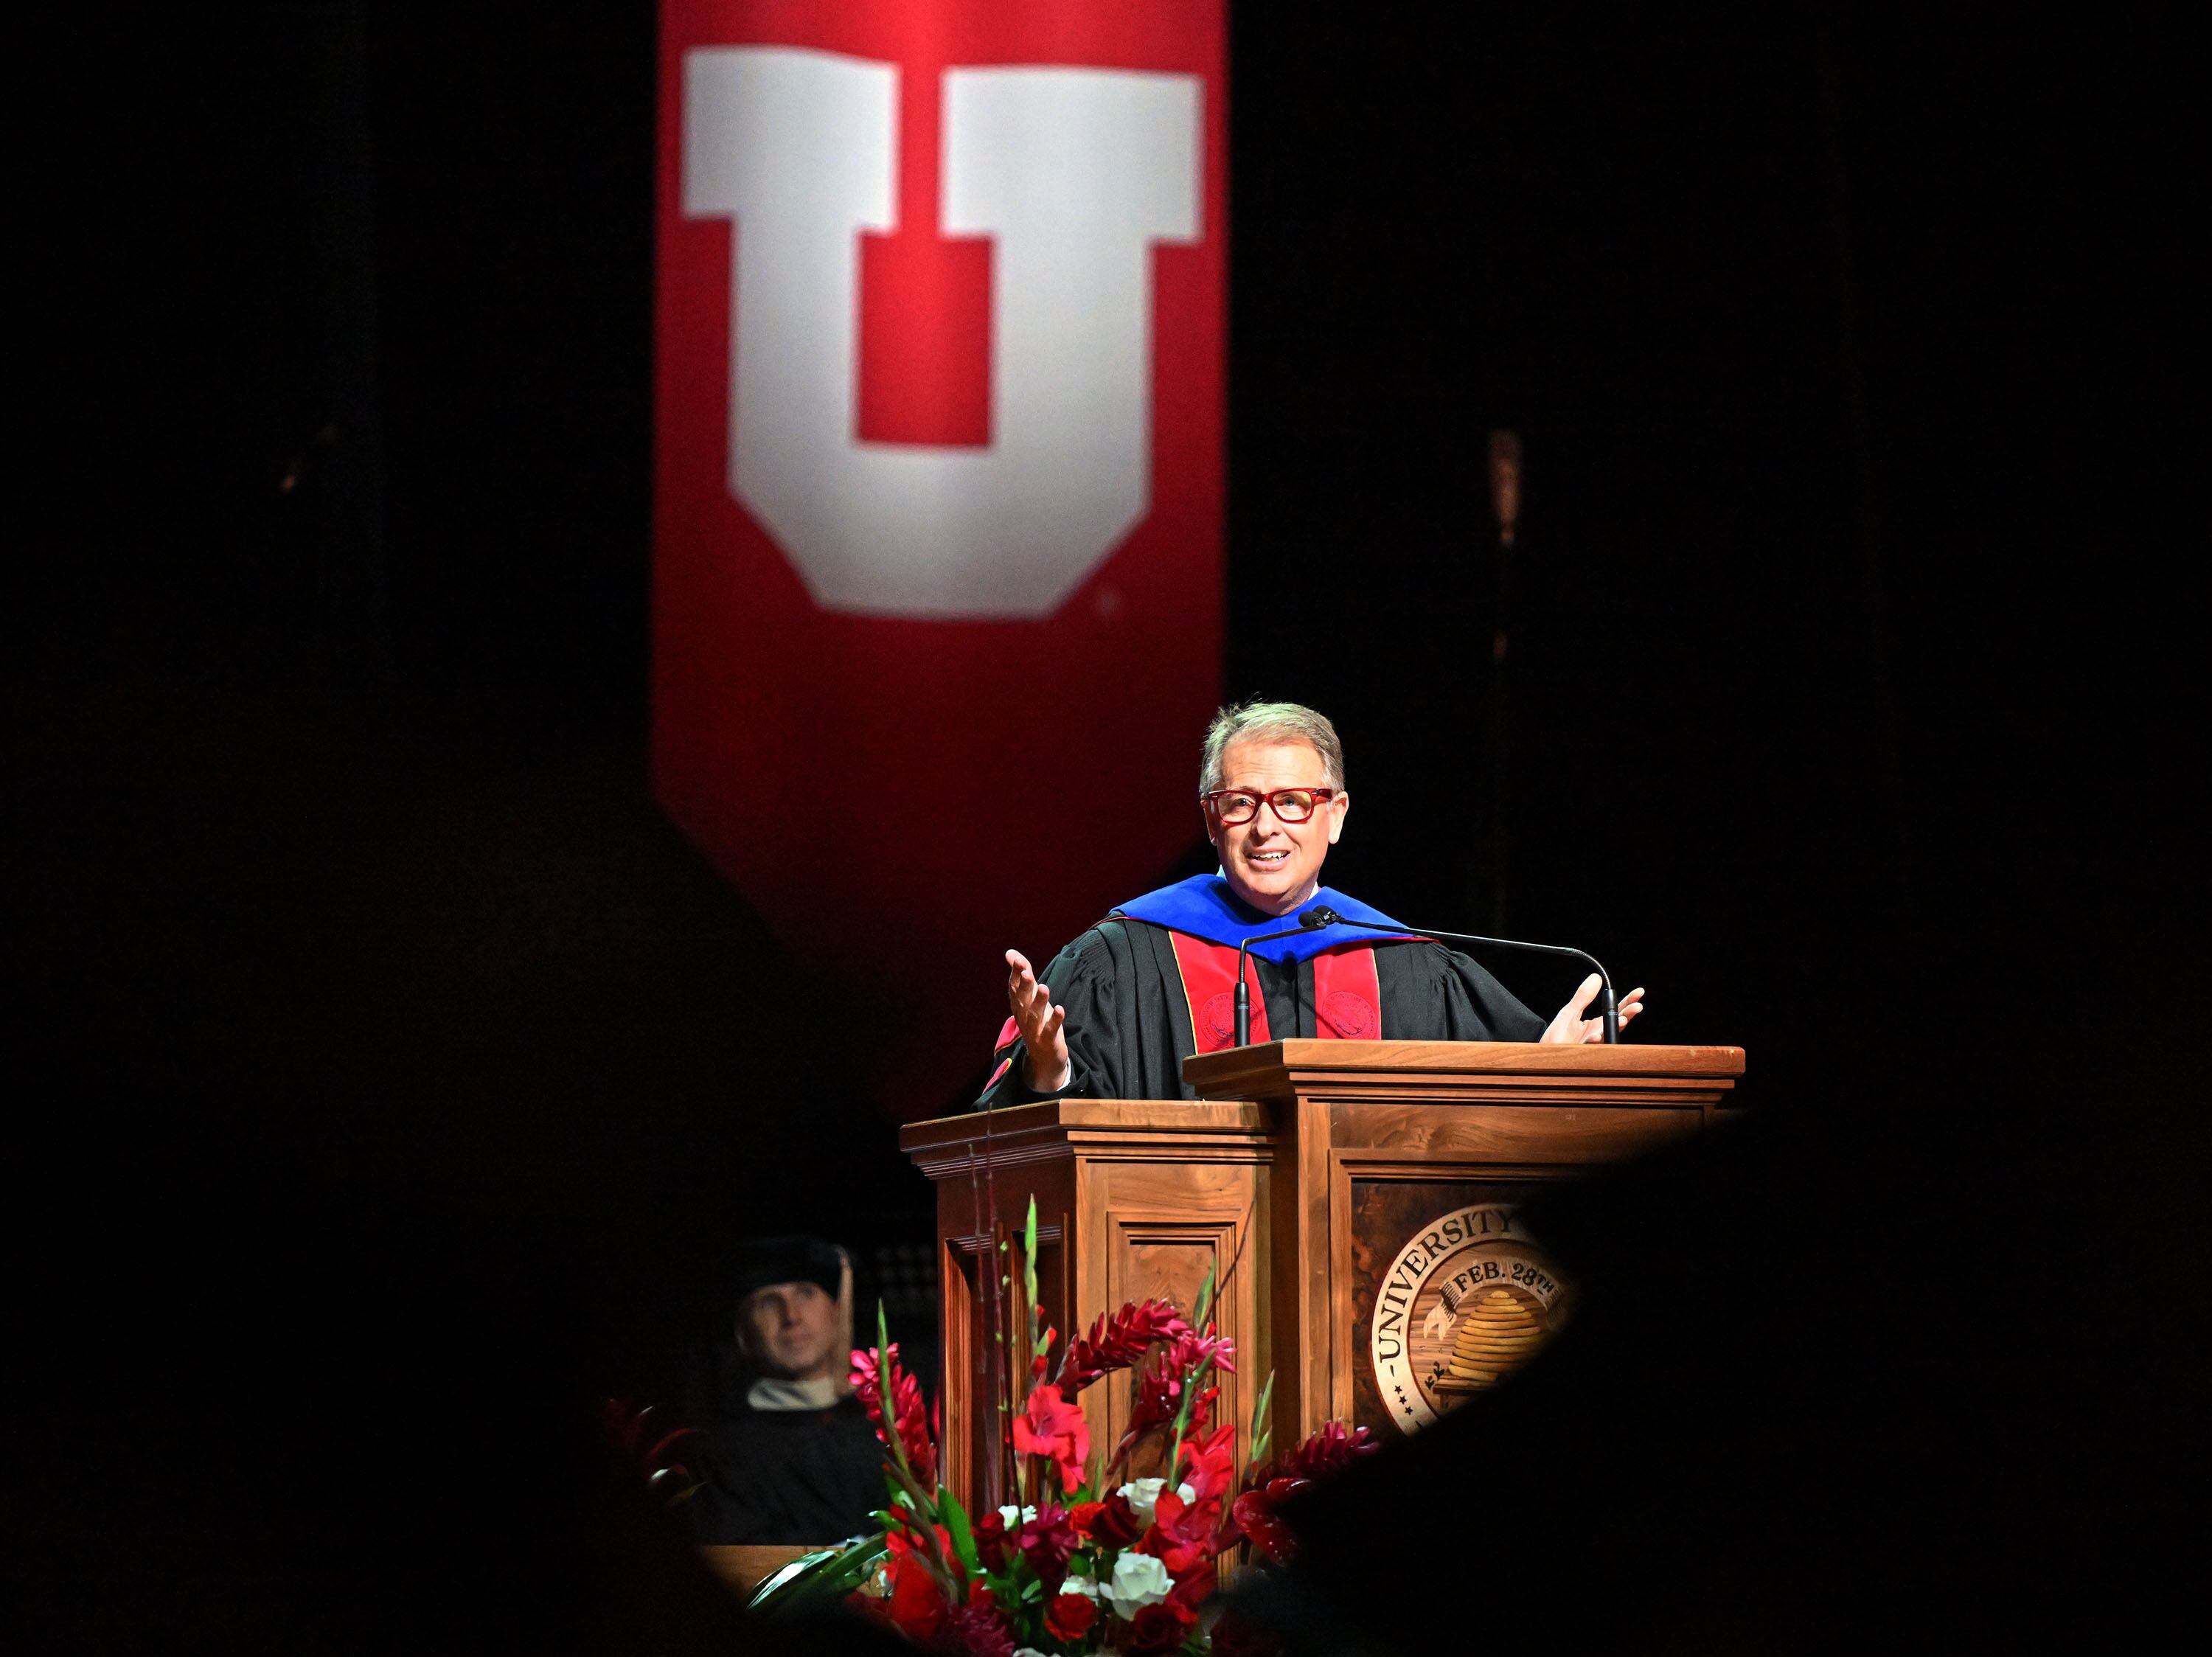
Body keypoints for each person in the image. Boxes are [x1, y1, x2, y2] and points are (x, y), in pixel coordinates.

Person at [979, 701, 1646, 1107]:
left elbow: (1475, 1126)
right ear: (1212, 821)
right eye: (1240, 803)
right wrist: (1051, 1069)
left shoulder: (1405, 964)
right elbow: (1029, 1147)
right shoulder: (1122, 958)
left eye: (1293, 802)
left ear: (1336, 815)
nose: (1267, 827)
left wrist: (1542, 1072)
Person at [691, 1235, 887, 1545]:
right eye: (769, 1302)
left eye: (807, 1294)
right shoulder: (724, 1453)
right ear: (744, 1334)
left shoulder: (886, 1423)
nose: (791, 1317)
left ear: (837, 1311)